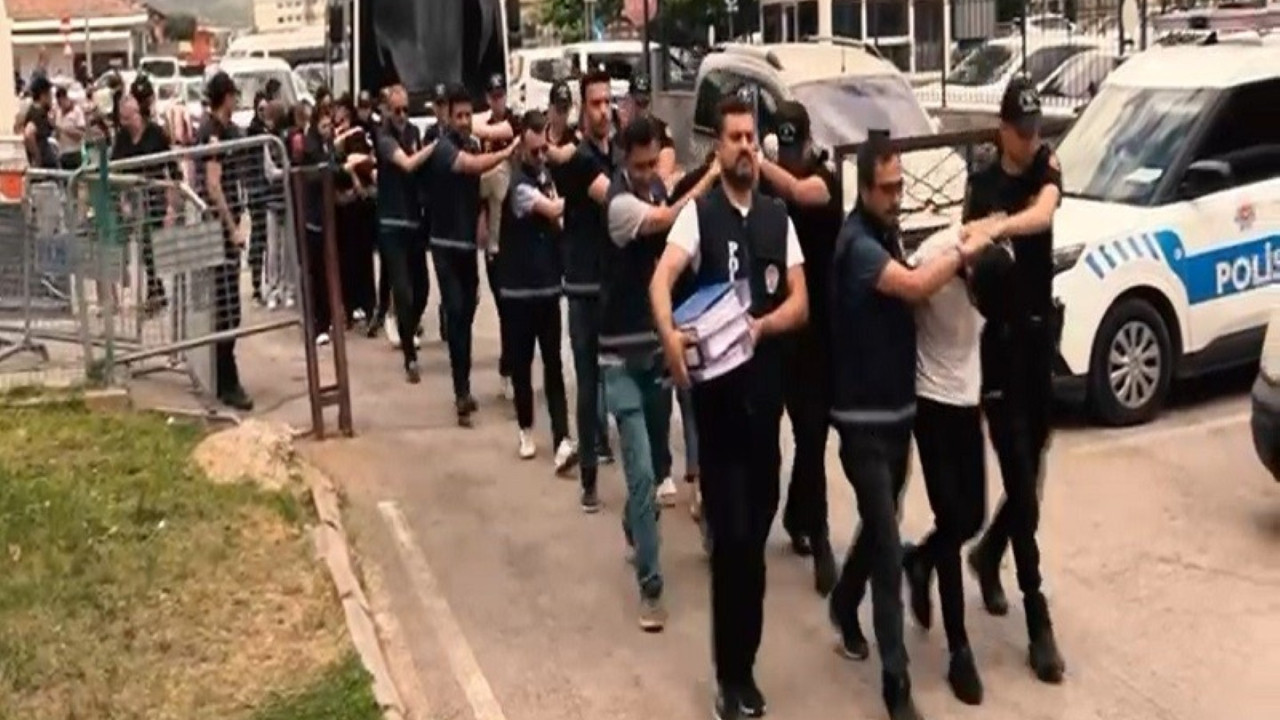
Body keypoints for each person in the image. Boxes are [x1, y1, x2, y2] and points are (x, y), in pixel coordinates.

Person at [649, 95, 808, 720]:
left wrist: (763, 327)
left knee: (756, 544)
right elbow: (661, 281)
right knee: (732, 543)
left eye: (751, 137)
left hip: (764, 411)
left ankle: (749, 663)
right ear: (717, 147)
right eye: (735, 137)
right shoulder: (700, 216)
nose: (745, 147)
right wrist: (670, 337)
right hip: (717, 414)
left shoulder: (776, 217)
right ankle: (730, 676)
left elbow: (800, 300)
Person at [826, 132, 991, 720]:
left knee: (880, 528)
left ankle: (844, 601)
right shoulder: (858, 246)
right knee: (888, 546)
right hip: (862, 424)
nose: (898, 196)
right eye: (888, 188)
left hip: (898, 416)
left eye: (901, 186)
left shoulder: (886, 234)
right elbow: (916, 285)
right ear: (864, 189)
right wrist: (964, 255)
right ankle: (895, 683)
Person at [955, 76, 1067, 685]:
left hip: (1037, 342)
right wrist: (982, 239)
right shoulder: (981, 187)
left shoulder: (1045, 167)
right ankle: (1037, 615)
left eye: (1035, 128)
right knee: (1021, 482)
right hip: (997, 349)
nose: (1031, 138)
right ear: (1002, 130)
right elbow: (967, 255)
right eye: (1021, 131)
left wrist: (1000, 228)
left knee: (1035, 464)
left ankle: (990, 550)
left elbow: (1045, 212)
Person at [603, 115, 719, 631]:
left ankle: (635, 520)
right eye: (641, 165)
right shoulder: (621, 206)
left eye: (655, 163)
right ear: (625, 161)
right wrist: (711, 176)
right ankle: (651, 588)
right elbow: (670, 217)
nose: (650, 172)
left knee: (649, 469)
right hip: (618, 360)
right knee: (644, 475)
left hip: (655, 354)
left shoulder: (651, 189)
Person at [900, 233, 1014, 707]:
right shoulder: (933, 261)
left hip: (967, 399)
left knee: (973, 518)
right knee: (951, 518)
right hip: (930, 401)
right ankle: (959, 648)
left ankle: (920, 559)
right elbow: (903, 300)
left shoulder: (995, 256)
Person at [756, 101, 841, 595]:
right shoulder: (765, 184)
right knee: (766, 440)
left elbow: (803, 193)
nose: (789, 157)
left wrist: (761, 162)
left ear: (807, 142)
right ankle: (784, 515)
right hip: (774, 329)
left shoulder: (823, 179)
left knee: (812, 436)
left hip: (816, 332)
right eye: (781, 148)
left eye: (795, 148)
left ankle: (820, 534)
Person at [424, 83, 518, 422]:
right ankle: (461, 391)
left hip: (466, 245)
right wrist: (507, 152)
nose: (464, 121)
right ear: (448, 117)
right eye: (459, 116)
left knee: (467, 313)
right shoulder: (444, 148)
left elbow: (477, 190)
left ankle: (463, 385)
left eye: (467, 115)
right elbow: (472, 167)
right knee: (457, 311)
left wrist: (482, 222)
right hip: (445, 245)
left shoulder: (471, 143)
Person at [498, 110, 577, 472]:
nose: (542, 156)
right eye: (535, 152)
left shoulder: (545, 175)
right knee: (521, 363)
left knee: (553, 364)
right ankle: (526, 428)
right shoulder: (520, 186)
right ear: (521, 148)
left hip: (546, 287)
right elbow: (554, 209)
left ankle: (562, 438)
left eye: (545, 149)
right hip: (518, 291)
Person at [561, 69, 619, 513]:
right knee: (588, 381)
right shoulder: (581, 160)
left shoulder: (617, 153)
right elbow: (617, 199)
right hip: (584, 286)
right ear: (583, 109)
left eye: (607, 102)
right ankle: (589, 477)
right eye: (595, 104)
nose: (603, 111)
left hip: (614, 283)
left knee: (622, 376)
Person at [196, 71, 254, 411]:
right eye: (233, 95)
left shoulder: (226, 130)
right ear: (226, 96)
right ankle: (226, 381)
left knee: (228, 307)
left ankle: (223, 376)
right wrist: (232, 227)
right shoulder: (212, 131)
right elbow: (213, 185)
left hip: (226, 225)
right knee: (226, 309)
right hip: (217, 231)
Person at [375, 84, 440, 383]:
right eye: (396, 110)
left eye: (405, 109)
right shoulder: (384, 137)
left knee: (422, 288)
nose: (402, 115)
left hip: (414, 220)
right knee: (402, 289)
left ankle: (407, 328)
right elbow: (409, 163)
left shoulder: (413, 132)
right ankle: (409, 358)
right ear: (388, 111)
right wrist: (436, 146)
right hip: (391, 222)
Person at [111, 93, 179, 315]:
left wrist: (172, 206)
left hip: (155, 196)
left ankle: (155, 291)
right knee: (143, 246)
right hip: (134, 198)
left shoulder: (155, 134)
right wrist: (122, 199)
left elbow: (172, 168)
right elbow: (116, 168)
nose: (125, 123)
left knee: (151, 245)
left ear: (137, 114)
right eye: (122, 119)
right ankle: (154, 290)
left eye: (128, 118)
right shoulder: (122, 137)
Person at [479, 72, 516, 402]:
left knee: (518, 310)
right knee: (505, 307)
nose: (497, 100)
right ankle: (509, 366)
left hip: (517, 227)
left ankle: (514, 364)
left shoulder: (513, 124)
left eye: (501, 94)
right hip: (495, 234)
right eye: (493, 96)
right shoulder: (484, 132)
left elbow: (498, 132)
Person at [620, 75, 677, 185]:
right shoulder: (622, 131)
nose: (642, 109)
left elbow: (664, 172)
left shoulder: (660, 129)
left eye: (645, 103)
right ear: (629, 100)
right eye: (638, 103)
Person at [22, 76, 57, 170]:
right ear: (43, 95)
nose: (51, 98)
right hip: (43, 168)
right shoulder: (37, 113)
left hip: (47, 165)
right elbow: (28, 134)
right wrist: (37, 157)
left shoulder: (42, 111)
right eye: (49, 94)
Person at [53, 86, 85, 171]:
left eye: (61, 102)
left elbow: (80, 135)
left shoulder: (77, 111)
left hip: (74, 152)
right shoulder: (58, 112)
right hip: (62, 153)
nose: (60, 105)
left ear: (65, 98)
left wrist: (64, 130)